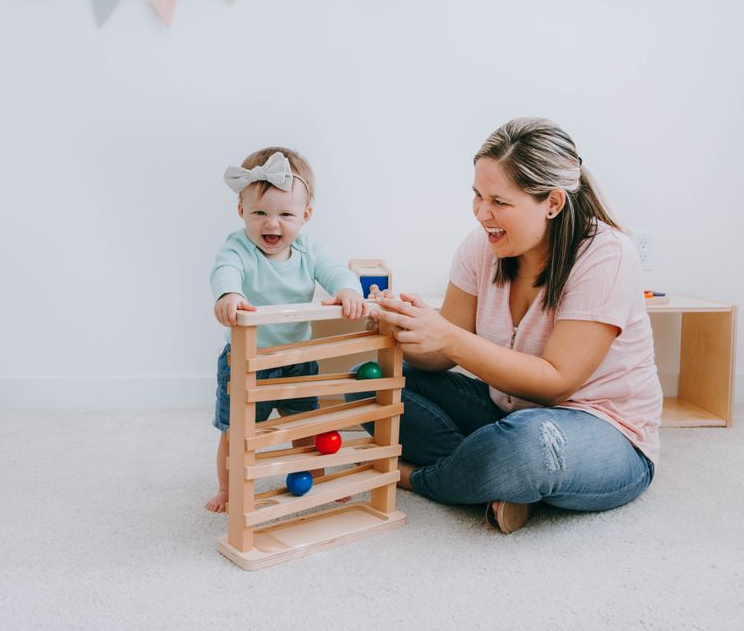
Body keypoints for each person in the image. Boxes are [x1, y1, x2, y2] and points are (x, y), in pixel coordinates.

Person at [363, 117, 662, 533]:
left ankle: (414, 476)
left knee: (524, 447)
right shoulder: (482, 247)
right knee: (373, 383)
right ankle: (494, 479)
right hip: (506, 410)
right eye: (478, 196)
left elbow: (557, 381)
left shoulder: (606, 255)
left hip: (605, 430)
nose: (483, 214)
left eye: (500, 202)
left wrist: (448, 336)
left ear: (553, 204)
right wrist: (400, 323)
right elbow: (434, 357)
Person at [206, 146, 365, 513]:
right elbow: (224, 270)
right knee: (236, 434)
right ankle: (228, 490)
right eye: (259, 212)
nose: (271, 224)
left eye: (285, 214)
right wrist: (229, 295)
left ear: (306, 215)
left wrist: (347, 290)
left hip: (298, 359)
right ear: (241, 211)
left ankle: (318, 479)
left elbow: (336, 271)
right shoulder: (239, 247)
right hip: (247, 361)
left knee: (307, 428)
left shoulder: (309, 250)